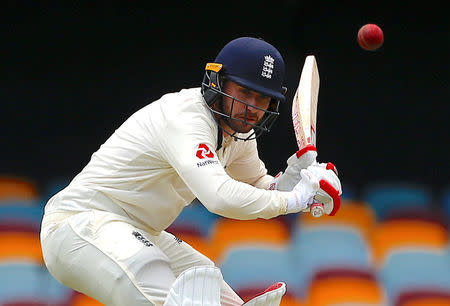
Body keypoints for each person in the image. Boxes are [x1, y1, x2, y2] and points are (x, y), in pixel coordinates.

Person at [40, 37, 342, 306]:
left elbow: (259, 189)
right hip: (79, 225)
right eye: (244, 92)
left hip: (141, 231)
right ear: (218, 83)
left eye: (262, 98)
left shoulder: (239, 135)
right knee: (171, 291)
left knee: (206, 284)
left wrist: (297, 179)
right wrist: (296, 200)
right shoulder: (186, 118)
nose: (251, 106)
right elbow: (220, 198)